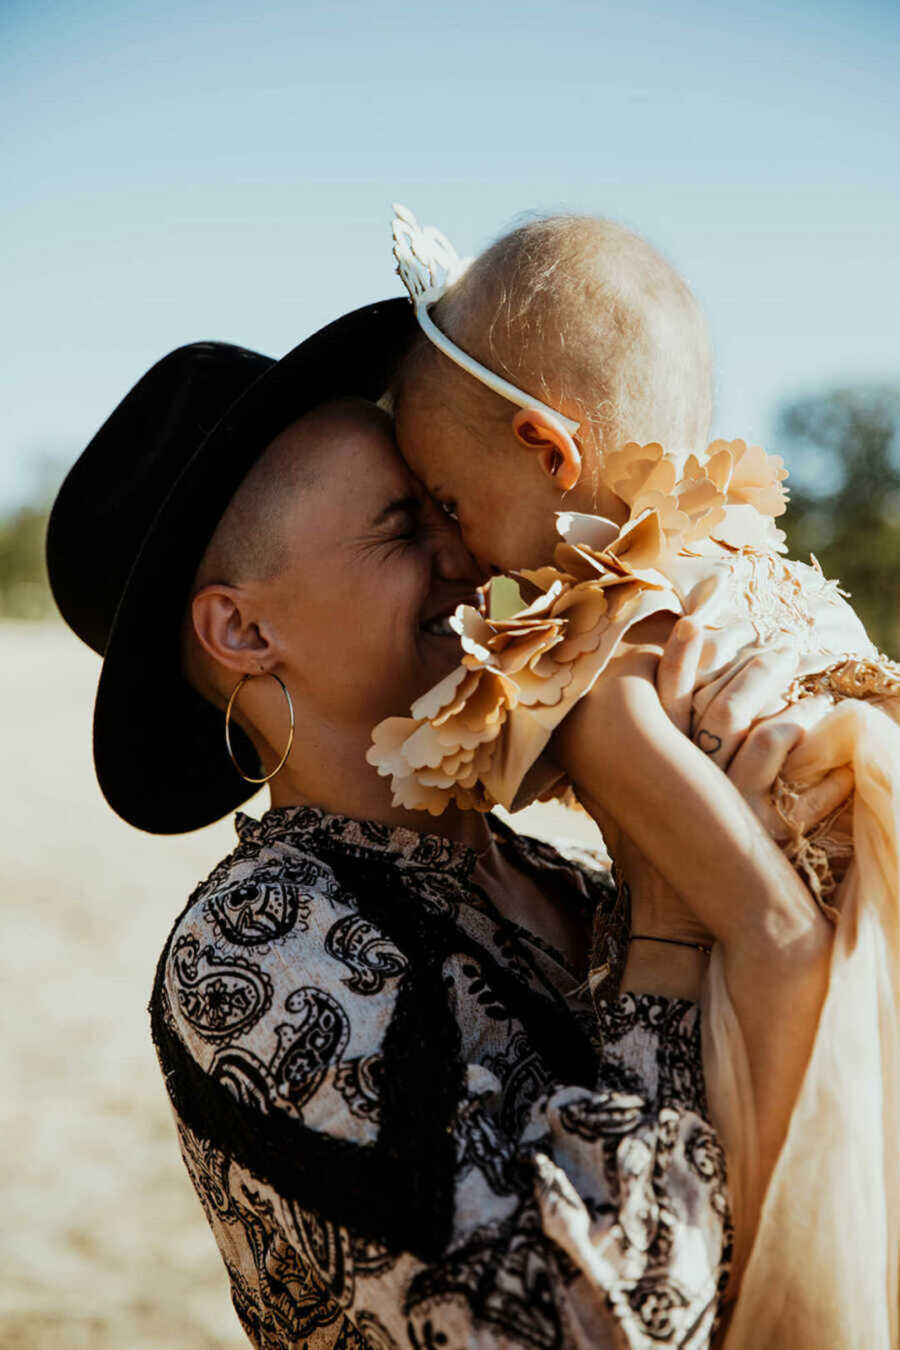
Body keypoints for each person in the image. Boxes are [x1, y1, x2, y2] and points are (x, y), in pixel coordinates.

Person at [46, 301, 837, 1350]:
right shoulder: (254, 946)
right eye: (403, 526)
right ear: (243, 629)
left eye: (448, 507)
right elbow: (568, 1330)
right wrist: (690, 896)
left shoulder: (547, 867)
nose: (471, 553)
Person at [372, 207, 900, 1346]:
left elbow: (783, 942)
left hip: (813, 1041)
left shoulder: (614, 672)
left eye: (452, 507)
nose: (454, 555)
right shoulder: (756, 568)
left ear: (550, 450)